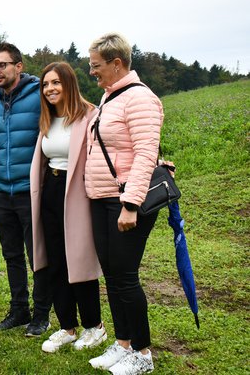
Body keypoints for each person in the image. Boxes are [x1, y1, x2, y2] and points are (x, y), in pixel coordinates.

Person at [85, 33, 164, 375]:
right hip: (102, 198)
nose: (92, 72)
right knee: (113, 276)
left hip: (124, 201)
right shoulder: (109, 97)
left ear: (117, 64)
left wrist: (131, 203)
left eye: (96, 66)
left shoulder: (140, 99)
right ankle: (123, 344)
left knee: (126, 276)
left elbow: (146, 153)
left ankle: (143, 354)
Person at [29, 62, 106, 353]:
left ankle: (94, 326)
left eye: (55, 83)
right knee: (55, 263)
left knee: (79, 260)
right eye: (46, 84)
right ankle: (67, 327)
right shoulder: (48, 118)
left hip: (77, 195)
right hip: (51, 191)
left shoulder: (89, 115)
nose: (50, 89)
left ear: (69, 84)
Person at [0, 42, 52, 336]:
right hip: (2, 190)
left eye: (2, 65)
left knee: (36, 254)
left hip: (31, 190)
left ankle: (42, 314)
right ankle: (19, 309)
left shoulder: (41, 95)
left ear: (19, 66)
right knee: (11, 254)